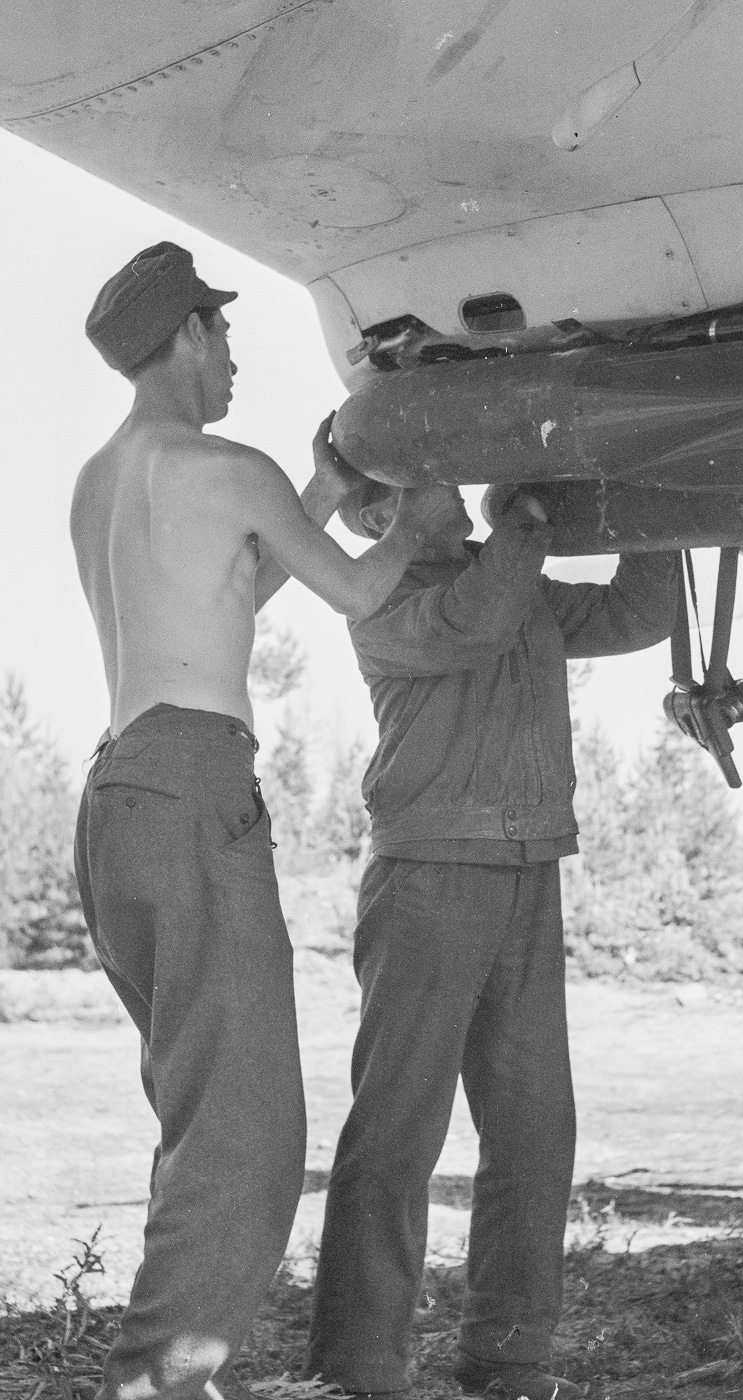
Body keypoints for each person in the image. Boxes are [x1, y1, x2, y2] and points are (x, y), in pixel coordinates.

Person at [71, 241, 447, 1400]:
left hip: (118, 794)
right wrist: (423, 517)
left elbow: (224, 591)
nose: (233, 356)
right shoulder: (226, 463)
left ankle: (174, 1365)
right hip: (194, 790)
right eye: (223, 334)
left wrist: (324, 494)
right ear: (189, 334)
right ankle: (159, 1382)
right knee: (248, 1122)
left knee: (197, 1100)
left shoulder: (101, 477)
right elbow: (357, 591)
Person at [301, 479, 678, 1400]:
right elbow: (473, 622)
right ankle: (356, 1370)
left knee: (534, 1133)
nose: (445, 474)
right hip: (428, 877)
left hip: (527, 870)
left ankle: (510, 1363)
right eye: (416, 471)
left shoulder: (508, 576)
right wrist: (528, 523)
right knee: (397, 1131)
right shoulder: (379, 596)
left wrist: (656, 503)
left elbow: (638, 612)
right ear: (372, 512)